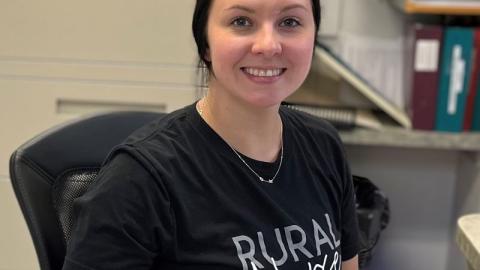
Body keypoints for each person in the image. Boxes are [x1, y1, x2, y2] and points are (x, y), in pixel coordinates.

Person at [62, 0, 359, 269]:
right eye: (241, 21)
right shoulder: (140, 179)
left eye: (290, 22)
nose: (268, 45)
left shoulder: (323, 145)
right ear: (205, 43)